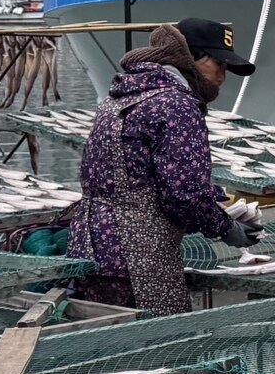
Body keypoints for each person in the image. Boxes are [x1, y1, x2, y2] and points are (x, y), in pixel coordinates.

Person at [67, 18, 262, 315]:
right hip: (139, 258)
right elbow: (183, 194)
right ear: (191, 59)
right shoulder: (176, 104)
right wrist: (226, 228)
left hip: (88, 250)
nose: (223, 76)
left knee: (108, 350)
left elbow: (129, 175)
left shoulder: (120, 97)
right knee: (159, 346)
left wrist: (213, 196)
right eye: (218, 64)